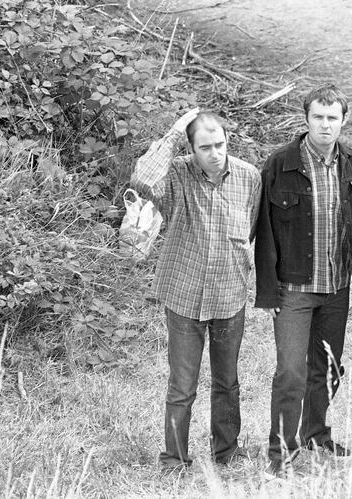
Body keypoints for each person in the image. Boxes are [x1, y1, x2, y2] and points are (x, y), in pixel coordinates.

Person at [130, 108, 261, 474]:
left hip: (229, 294)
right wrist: (174, 133)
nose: (214, 153)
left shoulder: (249, 176)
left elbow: (251, 228)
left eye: (219, 144)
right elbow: (142, 182)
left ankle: (226, 451)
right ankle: (174, 458)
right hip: (184, 294)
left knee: (227, 381)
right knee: (182, 385)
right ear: (191, 148)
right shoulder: (178, 174)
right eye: (205, 147)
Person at [254, 84, 352, 476]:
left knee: (327, 366)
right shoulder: (280, 163)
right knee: (291, 371)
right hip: (293, 288)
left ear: (344, 120)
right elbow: (266, 230)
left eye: (332, 118)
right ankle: (282, 452)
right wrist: (267, 289)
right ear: (306, 119)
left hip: (337, 286)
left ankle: (316, 433)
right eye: (318, 117)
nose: (325, 125)